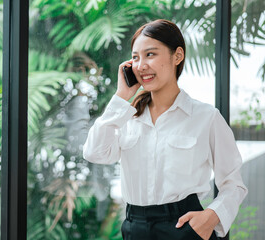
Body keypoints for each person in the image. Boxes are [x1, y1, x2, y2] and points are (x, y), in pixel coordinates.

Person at [83, 19, 247, 240]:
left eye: (150, 54)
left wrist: (210, 217)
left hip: (186, 226)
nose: (141, 65)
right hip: (135, 228)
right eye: (135, 57)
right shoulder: (126, 117)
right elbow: (94, 153)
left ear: (177, 56)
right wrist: (121, 96)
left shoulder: (206, 118)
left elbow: (233, 184)